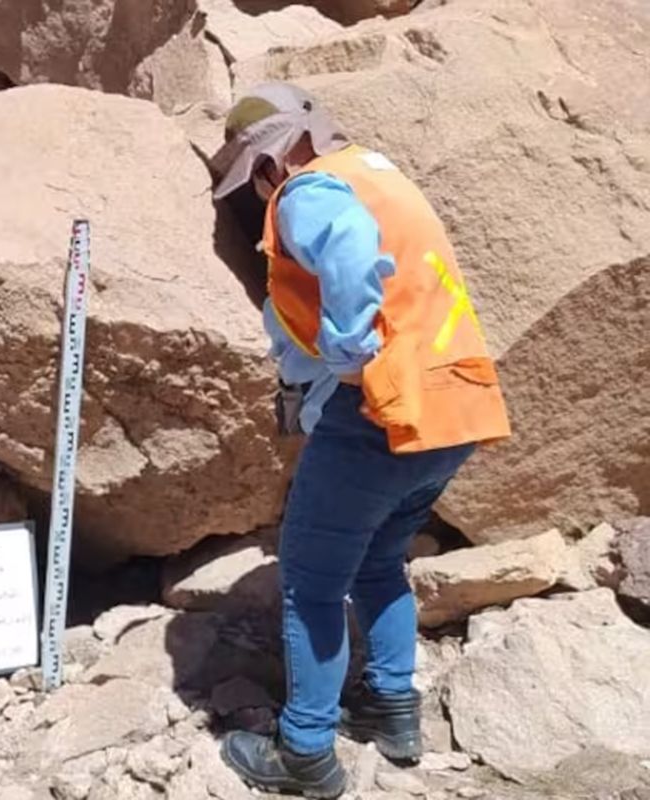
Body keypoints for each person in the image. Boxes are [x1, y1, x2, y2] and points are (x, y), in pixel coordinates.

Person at [209, 82, 512, 798]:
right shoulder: (380, 174)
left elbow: (343, 248)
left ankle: (306, 753)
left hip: (377, 414)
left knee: (309, 584)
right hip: (454, 408)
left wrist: (348, 350)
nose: (259, 195)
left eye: (255, 182)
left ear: (270, 162)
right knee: (379, 561)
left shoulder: (309, 191)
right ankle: (392, 710)